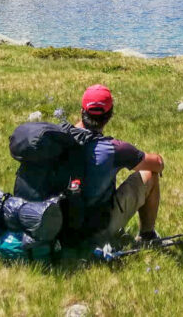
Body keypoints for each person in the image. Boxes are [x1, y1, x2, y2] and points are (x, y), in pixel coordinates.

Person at [75, 84, 165, 246]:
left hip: (62, 226)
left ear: (82, 111)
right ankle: (147, 235)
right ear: (110, 115)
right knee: (149, 174)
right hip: (97, 231)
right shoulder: (116, 149)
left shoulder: (62, 138)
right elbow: (157, 164)